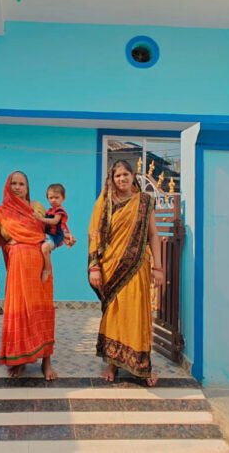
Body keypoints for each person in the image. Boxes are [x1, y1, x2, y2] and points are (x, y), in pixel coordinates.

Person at [87, 159, 164, 386]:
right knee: (115, 314)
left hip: (137, 267)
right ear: (112, 179)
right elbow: (95, 235)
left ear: (133, 176)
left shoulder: (144, 202)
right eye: (117, 175)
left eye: (125, 174)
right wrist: (94, 266)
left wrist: (158, 267)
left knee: (137, 315)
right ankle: (112, 364)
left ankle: (142, 367)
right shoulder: (105, 203)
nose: (122, 179)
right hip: (111, 267)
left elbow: (153, 235)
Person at [0, 171, 58, 380]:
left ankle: (46, 361)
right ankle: (18, 359)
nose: (17, 187)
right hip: (17, 270)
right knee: (18, 312)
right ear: (7, 187)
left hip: (40, 268)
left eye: (21, 184)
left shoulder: (37, 207)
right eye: (14, 183)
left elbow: (52, 233)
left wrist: (64, 238)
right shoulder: (0, 213)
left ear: (27, 188)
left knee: (42, 311)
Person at [35, 183, 75, 281]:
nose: (53, 200)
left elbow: (55, 221)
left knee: (45, 248)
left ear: (63, 198)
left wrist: (41, 219)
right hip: (48, 235)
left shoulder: (59, 211)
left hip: (55, 236)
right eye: (51, 198)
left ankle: (47, 269)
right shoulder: (49, 211)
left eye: (56, 197)